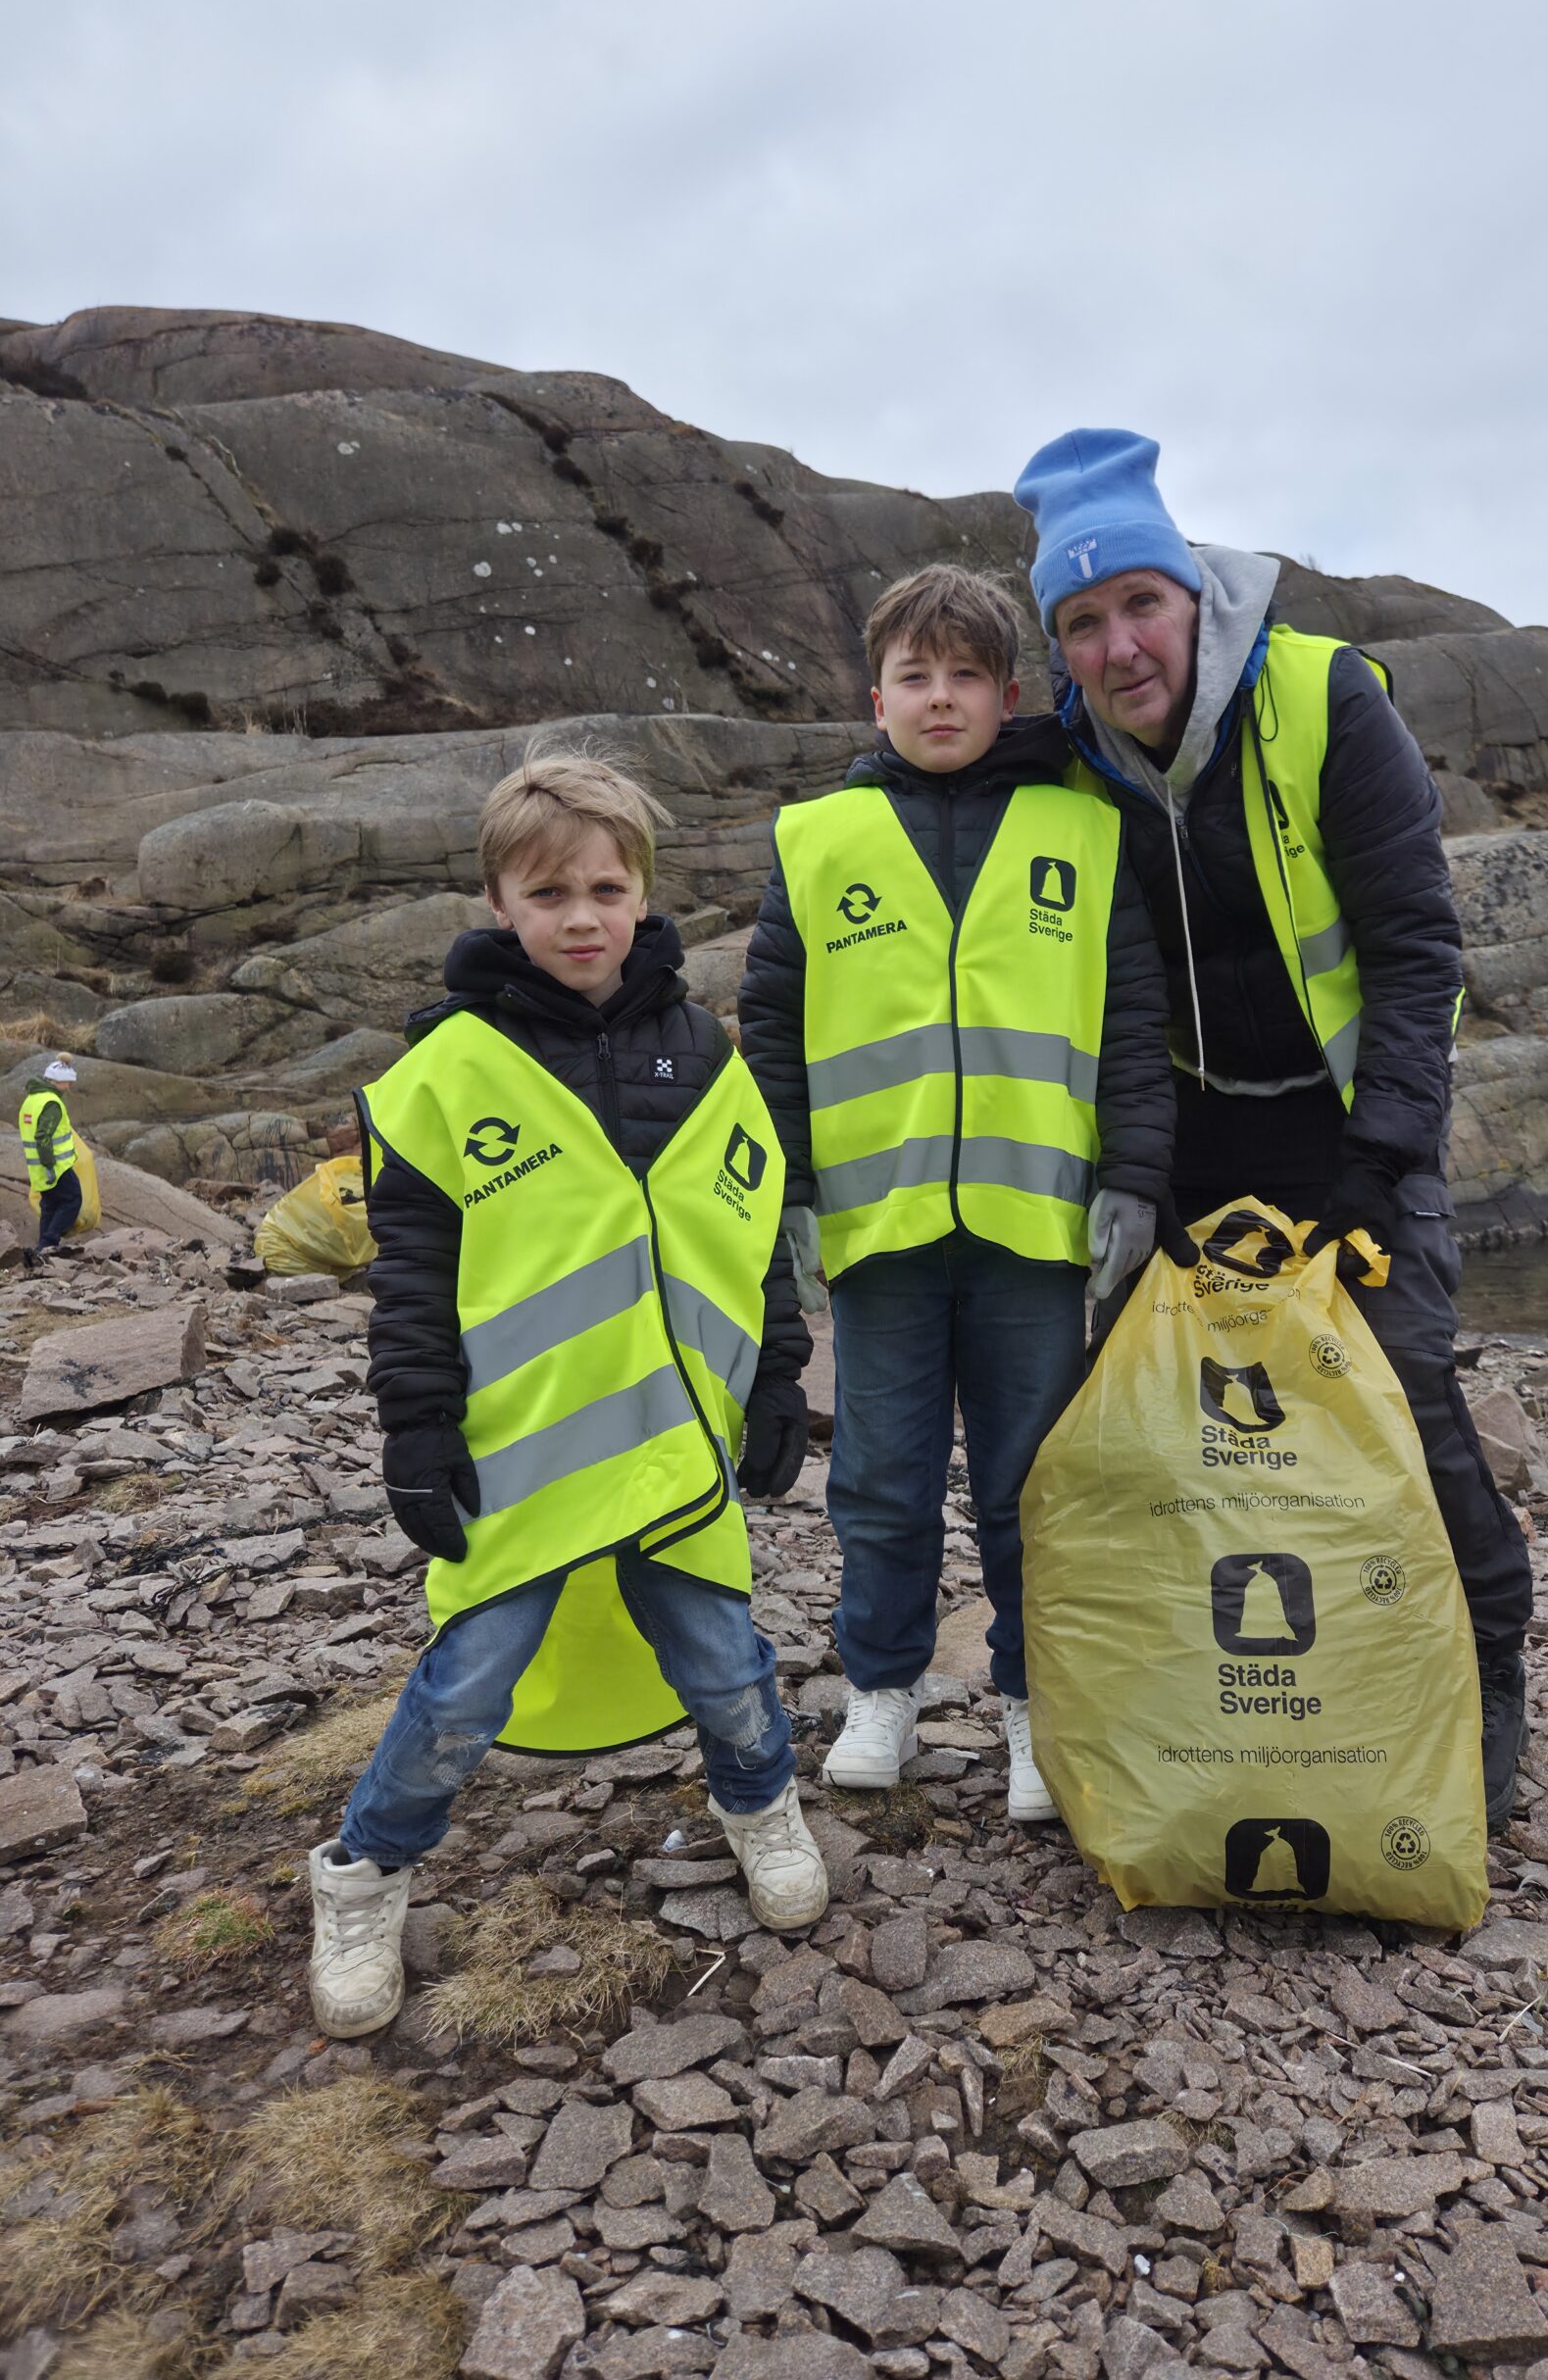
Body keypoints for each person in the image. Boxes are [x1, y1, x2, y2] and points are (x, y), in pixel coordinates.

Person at [1013, 428, 1535, 1831]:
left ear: (1194, 594)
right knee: (1185, 1430)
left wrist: (1384, 1157)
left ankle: (1491, 1668)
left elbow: (1418, 946)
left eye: (1140, 603)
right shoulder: (1058, 759)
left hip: (1348, 1122)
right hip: (1184, 1132)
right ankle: (1229, 1683)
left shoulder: (1321, 700)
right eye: (1081, 622)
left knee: (1406, 1394)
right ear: (1057, 646)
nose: (1120, 646)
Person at [305, 752, 825, 2041]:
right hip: (526, 1457)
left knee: (723, 1658)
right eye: (549, 893)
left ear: (644, 895)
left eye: (607, 887)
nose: (582, 916)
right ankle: (362, 1874)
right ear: (499, 904)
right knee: (468, 1678)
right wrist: (416, 1428)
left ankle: (762, 1809)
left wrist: (777, 1382)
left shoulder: (703, 1051)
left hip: (682, 1445)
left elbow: (750, 1225)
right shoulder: (449, 1075)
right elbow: (416, 1279)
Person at [738, 565, 1173, 1821]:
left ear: (1010, 693)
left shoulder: (1085, 830)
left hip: (1037, 1231)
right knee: (881, 1471)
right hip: (879, 1235)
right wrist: (792, 1195)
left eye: (966, 676)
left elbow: (1131, 1028)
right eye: (915, 678)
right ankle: (885, 1689)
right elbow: (772, 1034)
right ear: (876, 698)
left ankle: (1040, 1706)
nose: (941, 699)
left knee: (1035, 1478)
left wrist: (1133, 1181)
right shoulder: (812, 842)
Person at [18, 1055, 83, 1265]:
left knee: (50, 1205)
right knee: (72, 1199)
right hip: (54, 1166)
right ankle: (48, 1243)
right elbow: (42, 1137)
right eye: (68, 1083)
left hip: (36, 1167)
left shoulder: (31, 1099)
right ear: (58, 1081)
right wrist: (49, 1165)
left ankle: (40, 1251)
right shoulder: (51, 1103)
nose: (69, 1087)